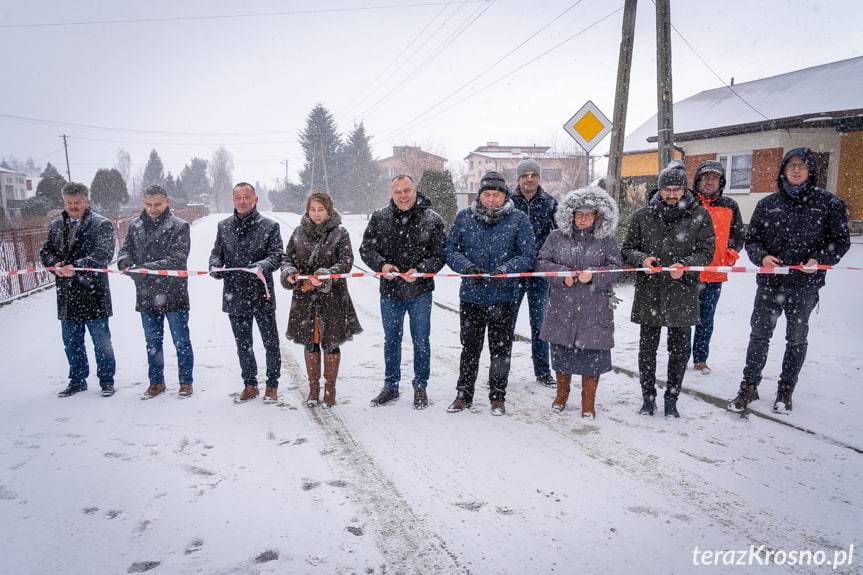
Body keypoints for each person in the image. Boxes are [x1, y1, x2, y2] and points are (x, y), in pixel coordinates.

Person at [729, 148, 850, 414]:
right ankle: (749, 385)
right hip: (770, 284)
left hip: (805, 285)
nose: (796, 170)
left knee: (796, 338)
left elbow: (841, 241)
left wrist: (818, 259)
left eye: (802, 166)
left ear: (810, 171)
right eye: (791, 165)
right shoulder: (768, 204)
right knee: (759, 336)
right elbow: (753, 241)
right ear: (783, 170)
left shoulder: (828, 204)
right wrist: (762, 258)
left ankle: (786, 389)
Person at [621, 161, 715, 418]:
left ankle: (672, 398)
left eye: (677, 189)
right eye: (667, 189)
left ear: (685, 189)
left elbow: (707, 252)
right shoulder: (643, 216)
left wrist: (686, 264)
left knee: (680, 349)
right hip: (650, 290)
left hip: (682, 290)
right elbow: (627, 249)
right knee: (647, 349)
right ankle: (648, 398)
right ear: (659, 190)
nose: (672, 195)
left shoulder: (699, 215)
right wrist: (643, 259)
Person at [445, 171, 535, 416]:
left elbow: (528, 255)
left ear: (504, 196)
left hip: (504, 296)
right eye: (487, 194)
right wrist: (467, 267)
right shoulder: (464, 217)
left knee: (501, 349)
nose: (492, 199)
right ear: (480, 195)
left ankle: (498, 396)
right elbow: (450, 250)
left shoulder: (518, 219)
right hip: (472, 295)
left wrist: (506, 269)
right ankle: (464, 394)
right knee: (470, 347)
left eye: (496, 195)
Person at [360, 175, 446, 409]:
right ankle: (391, 386)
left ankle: (420, 386)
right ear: (392, 193)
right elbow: (366, 249)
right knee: (391, 340)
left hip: (420, 291)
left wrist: (421, 270)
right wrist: (381, 265)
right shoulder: (379, 218)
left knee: (421, 341)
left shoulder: (432, 219)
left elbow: (440, 254)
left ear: (415, 190)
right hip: (390, 291)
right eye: (397, 191)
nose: (403, 195)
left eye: (407, 190)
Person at [536, 186, 621, 417]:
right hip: (562, 306)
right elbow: (542, 263)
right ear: (571, 215)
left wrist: (594, 274)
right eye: (579, 214)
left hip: (594, 309)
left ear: (598, 216)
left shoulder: (606, 240)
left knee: (592, 357)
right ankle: (561, 395)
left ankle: (588, 402)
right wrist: (561, 274)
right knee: (562, 355)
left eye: (589, 215)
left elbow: (617, 268)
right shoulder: (556, 237)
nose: (583, 219)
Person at [281, 191, 362, 408]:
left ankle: (330, 389)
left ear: (329, 210)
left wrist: (325, 275)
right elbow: (287, 257)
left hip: (333, 298)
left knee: (331, 342)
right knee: (311, 340)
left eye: (321, 209)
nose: (316, 214)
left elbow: (346, 262)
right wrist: (289, 272)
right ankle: (313, 388)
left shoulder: (340, 233)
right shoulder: (298, 232)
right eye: (312, 209)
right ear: (307, 210)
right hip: (305, 298)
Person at [39, 182, 117, 397]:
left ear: (86, 201)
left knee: (101, 342)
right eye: (69, 203)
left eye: (77, 202)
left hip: (93, 292)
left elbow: (104, 254)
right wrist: (56, 266)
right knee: (71, 342)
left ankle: (107, 381)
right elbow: (46, 251)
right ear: (63, 202)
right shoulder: (56, 225)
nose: (73, 206)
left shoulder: (101, 224)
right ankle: (77, 379)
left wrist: (77, 268)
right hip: (67, 294)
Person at [117, 185, 194, 398]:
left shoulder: (180, 226)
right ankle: (156, 382)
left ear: (167, 202)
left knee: (181, 340)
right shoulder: (135, 226)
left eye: (157, 204)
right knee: (152, 341)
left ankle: (186, 382)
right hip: (145, 292)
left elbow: (178, 259)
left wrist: (145, 269)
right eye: (149, 204)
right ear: (144, 202)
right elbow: (124, 251)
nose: (153, 209)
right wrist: (125, 262)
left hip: (173, 291)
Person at [209, 182, 283, 403]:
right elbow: (216, 254)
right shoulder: (223, 227)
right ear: (234, 200)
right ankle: (250, 384)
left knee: (271, 342)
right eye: (238, 197)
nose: (242, 201)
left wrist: (262, 265)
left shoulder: (270, 226)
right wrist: (215, 267)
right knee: (243, 344)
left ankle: (272, 385)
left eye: (246, 197)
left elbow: (277, 255)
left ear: (255, 200)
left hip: (262, 293)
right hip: (235, 294)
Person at [690, 160, 745, 374]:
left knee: (706, 320)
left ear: (721, 182)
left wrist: (729, 255)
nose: (709, 181)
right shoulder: (689, 203)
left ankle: (700, 359)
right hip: (689, 272)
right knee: (683, 320)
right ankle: (680, 357)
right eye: (705, 177)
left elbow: (738, 235)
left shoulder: (730, 205)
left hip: (714, 274)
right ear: (698, 181)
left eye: (714, 177)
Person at [511, 159, 558, 387]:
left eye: (534, 175)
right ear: (518, 178)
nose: (530, 178)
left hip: (540, 274)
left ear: (539, 178)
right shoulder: (508, 202)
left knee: (539, 325)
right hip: (513, 272)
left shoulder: (549, 203)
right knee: (505, 323)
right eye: (525, 175)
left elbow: (559, 234)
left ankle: (542, 372)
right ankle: (501, 371)